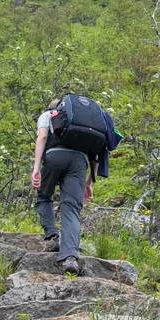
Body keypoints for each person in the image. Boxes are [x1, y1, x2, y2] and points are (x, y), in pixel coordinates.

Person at [31, 96, 111, 274]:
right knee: (71, 208)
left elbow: (43, 137)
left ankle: (53, 236)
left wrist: (36, 168)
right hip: (79, 162)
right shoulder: (86, 124)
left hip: (54, 156)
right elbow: (96, 152)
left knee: (44, 196)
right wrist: (90, 181)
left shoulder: (48, 115)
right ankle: (70, 257)